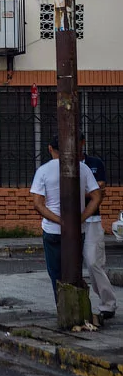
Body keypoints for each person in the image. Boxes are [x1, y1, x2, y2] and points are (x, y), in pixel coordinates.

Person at [31, 136, 100, 301]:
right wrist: (80, 218)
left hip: (52, 230)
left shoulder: (44, 170)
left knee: (56, 273)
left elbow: (38, 204)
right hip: (77, 230)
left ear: (50, 149)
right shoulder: (82, 168)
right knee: (74, 270)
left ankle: (62, 307)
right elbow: (97, 197)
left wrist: (60, 221)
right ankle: (77, 305)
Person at [81, 135, 116, 320]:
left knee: (94, 262)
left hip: (92, 219)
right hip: (69, 221)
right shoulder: (60, 165)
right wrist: (90, 192)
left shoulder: (94, 163)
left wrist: (85, 192)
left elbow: (100, 189)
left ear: (82, 143)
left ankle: (108, 304)